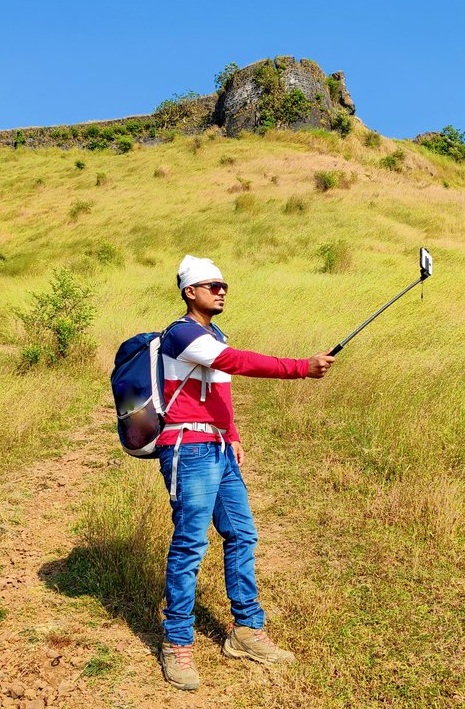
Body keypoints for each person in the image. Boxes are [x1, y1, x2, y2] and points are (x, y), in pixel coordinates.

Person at [155, 254, 335, 691]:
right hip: (188, 448)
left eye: (224, 286)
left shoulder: (215, 333)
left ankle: (245, 632)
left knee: (242, 534)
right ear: (189, 292)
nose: (221, 291)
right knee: (191, 545)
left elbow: (219, 390)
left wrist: (232, 434)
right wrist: (299, 368)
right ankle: (177, 642)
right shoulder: (181, 334)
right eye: (212, 285)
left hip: (217, 447)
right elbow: (235, 363)